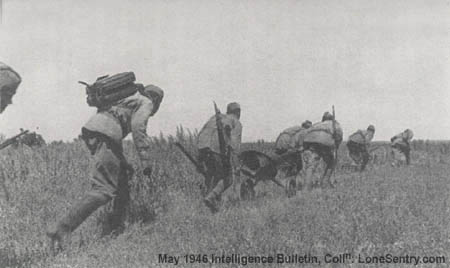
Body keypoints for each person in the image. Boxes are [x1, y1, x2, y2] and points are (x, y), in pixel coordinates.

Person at [46, 84, 164, 253]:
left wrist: (123, 160)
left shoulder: (128, 98)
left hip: (97, 129)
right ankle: (61, 229)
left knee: (123, 178)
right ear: (156, 100)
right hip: (106, 133)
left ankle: (116, 230)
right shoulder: (145, 102)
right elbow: (139, 128)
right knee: (103, 189)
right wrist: (146, 160)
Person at [197, 102, 242, 213]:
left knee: (213, 174)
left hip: (202, 147)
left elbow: (201, 133)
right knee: (228, 178)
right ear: (238, 112)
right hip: (216, 148)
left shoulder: (215, 117)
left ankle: (213, 205)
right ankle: (210, 198)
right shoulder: (235, 121)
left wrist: (199, 158)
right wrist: (236, 166)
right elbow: (234, 145)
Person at [302, 112, 343, 190]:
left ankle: (306, 188)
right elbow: (339, 136)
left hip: (312, 143)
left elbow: (307, 134)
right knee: (332, 162)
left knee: (311, 166)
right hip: (326, 143)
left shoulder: (317, 124)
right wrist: (336, 146)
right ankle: (325, 182)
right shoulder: (335, 124)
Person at [274, 120, 312, 195]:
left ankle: (288, 178)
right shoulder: (303, 131)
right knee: (298, 164)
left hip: (279, 144)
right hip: (287, 145)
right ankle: (293, 183)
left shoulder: (295, 129)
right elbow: (300, 146)